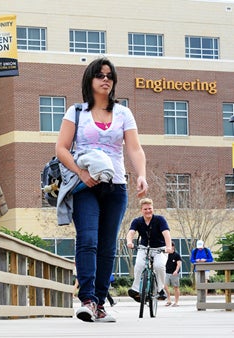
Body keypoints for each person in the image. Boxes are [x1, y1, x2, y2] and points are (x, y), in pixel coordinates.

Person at [56, 57, 148, 323]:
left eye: (109, 76)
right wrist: (81, 172)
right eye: (100, 75)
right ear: (90, 80)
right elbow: (61, 148)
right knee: (88, 239)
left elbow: (134, 148)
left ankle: (99, 302)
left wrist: (141, 175)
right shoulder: (76, 112)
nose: (105, 79)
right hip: (84, 184)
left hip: (115, 185)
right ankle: (86, 300)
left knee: (107, 246)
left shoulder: (123, 113)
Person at [126, 198, 172, 303]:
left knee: (159, 266)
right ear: (141, 210)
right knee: (139, 265)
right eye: (145, 209)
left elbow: (166, 233)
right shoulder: (137, 221)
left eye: (150, 208)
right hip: (144, 248)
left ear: (153, 208)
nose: (148, 211)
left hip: (160, 249)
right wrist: (129, 242)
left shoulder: (160, 219)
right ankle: (136, 289)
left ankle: (160, 290)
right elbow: (131, 233)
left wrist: (168, 247)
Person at [164, 242, 182, 307]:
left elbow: (179, 264)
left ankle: (176, 302)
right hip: (166, 273)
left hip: (174, 273)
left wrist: (176, 271)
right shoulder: (165, 255)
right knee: (165, 286)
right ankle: (169, 300)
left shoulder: (176, 255)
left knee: (176, 287)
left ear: (173, 247)